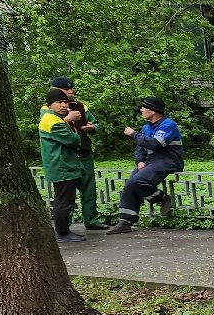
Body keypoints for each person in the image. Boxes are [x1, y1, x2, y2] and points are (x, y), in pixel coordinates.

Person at [109, 97, 185, 234]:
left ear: (153, 111)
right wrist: (139, 161)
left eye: (144, 108)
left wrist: (133, 134)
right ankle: (125, 222)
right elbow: (140, 147)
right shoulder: (146, 127)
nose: (141, 110)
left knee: (137, 181)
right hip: (150, 162)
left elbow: (155, 144)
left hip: (168, 161)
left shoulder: (168, 125)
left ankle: (161, 198)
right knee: (129, 185)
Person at [50, 77, 106, 231]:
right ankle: (64, 226)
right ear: (54, 90)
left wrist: (91, 127)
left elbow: (95, 123)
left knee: (89, 188)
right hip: (65, 156)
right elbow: (51, 128)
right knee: (66, 192)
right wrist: (68, 119)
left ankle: (91, 220)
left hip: (84, 152)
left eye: (71, 89)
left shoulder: (80, 106)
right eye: (66, 89)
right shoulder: (48, 108)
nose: (71, 92)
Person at [38, 89, 90, 243]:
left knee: (64, 199)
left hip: (62, 165)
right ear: (50, 105)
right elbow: (74, 140)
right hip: (62, 166)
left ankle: (64, 231)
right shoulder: (53, 122)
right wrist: (76, 133)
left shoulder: (55, 118)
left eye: (65, 102)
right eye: (58, 102)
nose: (63, 105)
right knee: (64, 200)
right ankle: (62, 233)